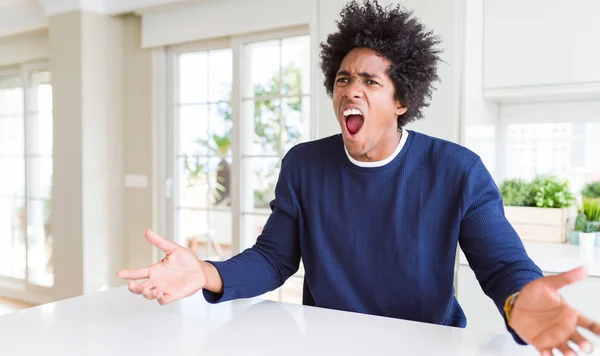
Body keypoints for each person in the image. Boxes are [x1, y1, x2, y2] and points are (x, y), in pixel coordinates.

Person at [117, 1, 600, 355]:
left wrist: (522, 302)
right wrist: (206, 272)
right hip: (329, 345)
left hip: (428, 346)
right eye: (344, 79)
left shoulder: (456, 170)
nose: (353, 90)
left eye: (372, 82)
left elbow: (502, 266)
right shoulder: (304, 165)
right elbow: (273, 258)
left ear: (401, 100)